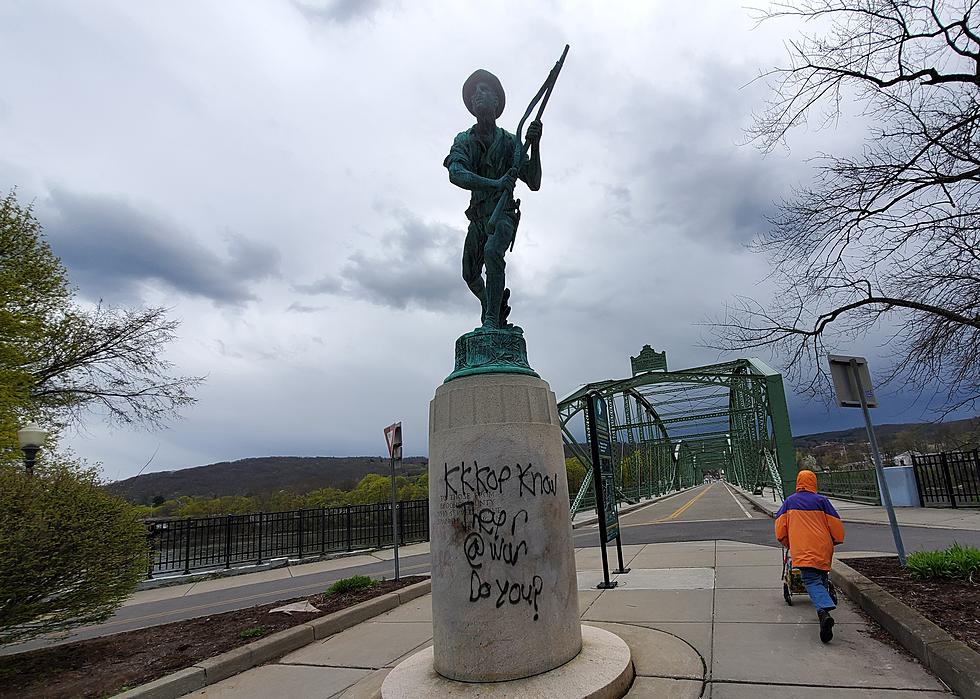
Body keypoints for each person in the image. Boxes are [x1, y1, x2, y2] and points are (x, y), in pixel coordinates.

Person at [444, 69, 543, 330]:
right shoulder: (464, 140)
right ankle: (492, 304)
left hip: (504, 214)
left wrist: (535, 144)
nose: (477, 94)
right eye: (474, 92)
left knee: (492, 252)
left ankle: (490, 320)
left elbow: (533, 182)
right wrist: (495, 183)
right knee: (470, 274)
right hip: (478, 216)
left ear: (497, 101)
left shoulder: (511, 142)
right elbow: (456, 173)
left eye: (484, 89)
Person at [775, 469, 845, 643]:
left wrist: (788, 543)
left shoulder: (790, 502)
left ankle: (823, 610)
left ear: (798, 483)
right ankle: (823, 607)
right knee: (821, 575)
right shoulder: (822, 501)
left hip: (803, 548)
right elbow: (836, 524)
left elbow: (780, 528)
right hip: (823, 547)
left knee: (811, 580)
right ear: (813, 482)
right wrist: (835, 541)